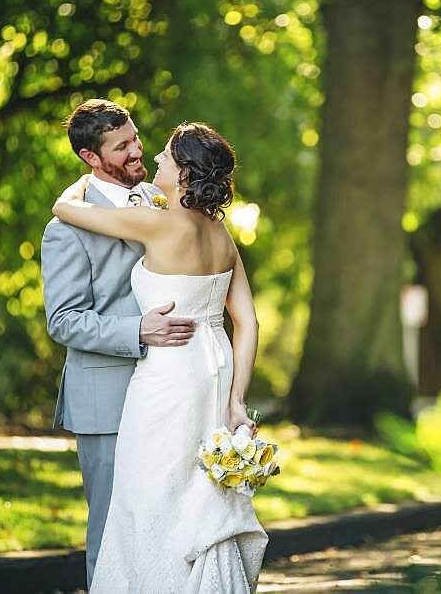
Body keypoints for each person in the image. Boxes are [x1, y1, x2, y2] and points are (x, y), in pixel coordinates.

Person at [51, 121, 268, 592]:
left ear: (186, 172)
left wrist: (82, 183)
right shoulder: (222, 236)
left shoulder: (157, 221)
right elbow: (248, 322)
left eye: (165, 157)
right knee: (197, 493)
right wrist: (237, 401)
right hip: (214, 371)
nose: (154, 161)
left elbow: (64, 209)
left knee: (147, 496)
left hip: (167, 375)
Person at [41, 99, 198, 588]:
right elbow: (63, 321)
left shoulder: (159, 198)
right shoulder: (66, 228)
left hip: (167, 388)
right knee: (111, 531)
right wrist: (137, 331)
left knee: (165, 521)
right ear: (91, 157)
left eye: (135, 139)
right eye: (122, 146)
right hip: (105, 398)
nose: (138, 151)